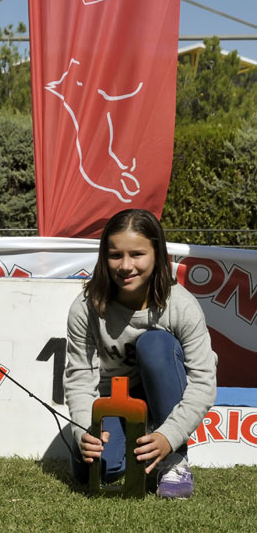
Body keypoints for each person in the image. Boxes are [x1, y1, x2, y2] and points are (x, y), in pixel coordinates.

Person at [64, 208, 217, 499]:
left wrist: (169, 436)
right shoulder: (85, 307)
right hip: (112, 401)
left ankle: (174, 462)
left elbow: (203, 382)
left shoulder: (181, 305)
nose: (125, 266)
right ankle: (140, 436)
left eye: (137, 254)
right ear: (103, 257)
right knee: (94, 470)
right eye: (115, 255)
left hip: (163, 392)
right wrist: (84, 429)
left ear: (157, 255)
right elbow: (79, 378)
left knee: (155, 345)